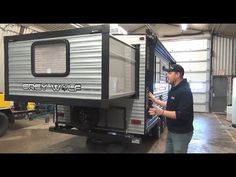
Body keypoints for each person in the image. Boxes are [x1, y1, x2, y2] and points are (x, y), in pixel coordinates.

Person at [148, 64, 194, 153]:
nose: (167, 75)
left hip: (181, 133)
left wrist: (161, 112)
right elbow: (170, 104)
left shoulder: (185, 91)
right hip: (172, 130)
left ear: (178, 74)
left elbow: (182, 114)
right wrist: (155, 100)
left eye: (169, 73)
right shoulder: (175, 89)